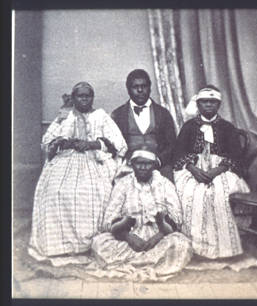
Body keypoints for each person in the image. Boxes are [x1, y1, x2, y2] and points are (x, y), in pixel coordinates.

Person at [28, 82, 127, 262]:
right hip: (66, 160)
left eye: (87, 96)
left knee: (93, 190)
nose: (84, 99)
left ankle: (88, 245)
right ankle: (60, 245)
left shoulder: (101, 116)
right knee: (56, 192)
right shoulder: (66, 116)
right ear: (73, 98)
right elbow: (47, 142)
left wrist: (92, 144)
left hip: (94, 160)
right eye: (80, 96)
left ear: (92, 97)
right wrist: (61, 141)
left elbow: (119, 144)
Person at [90, 149, 193, 280]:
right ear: (131, 165)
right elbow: (109, 217)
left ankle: (135, 263)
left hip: (159, 234)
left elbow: (176, 216)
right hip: (128, 235)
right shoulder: (123, 184)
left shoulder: (165, 184)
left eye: (147, 163)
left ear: (154, 165)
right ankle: (153, 263)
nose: (143, 167)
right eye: (138, 163)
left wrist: (157, 237)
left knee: (181, 245)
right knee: (99, 244)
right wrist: (128, 237)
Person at [173, 85, 250, 259]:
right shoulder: (189, 127)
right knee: (189, 194)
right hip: (192, 168)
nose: (208, 105)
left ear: (219, 105)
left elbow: (236, 156)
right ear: (198, 104)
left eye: (212, 102)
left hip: (222, 169)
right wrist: (193, 169)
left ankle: (223, 248)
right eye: (204, 102)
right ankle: (194, 248)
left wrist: (217, 170)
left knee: (219, 194)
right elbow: (179, 153)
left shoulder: (228, 128)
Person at [111, 69, 177, 181]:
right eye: (135, 87)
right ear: (128, 90)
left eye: (144, 86)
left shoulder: (163, 113)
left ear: (150, 88)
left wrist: (159, 161)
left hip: (159, 166)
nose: (140, 90)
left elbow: (172, 144)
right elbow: (113, 147)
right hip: (129, 166)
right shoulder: (118, 115)